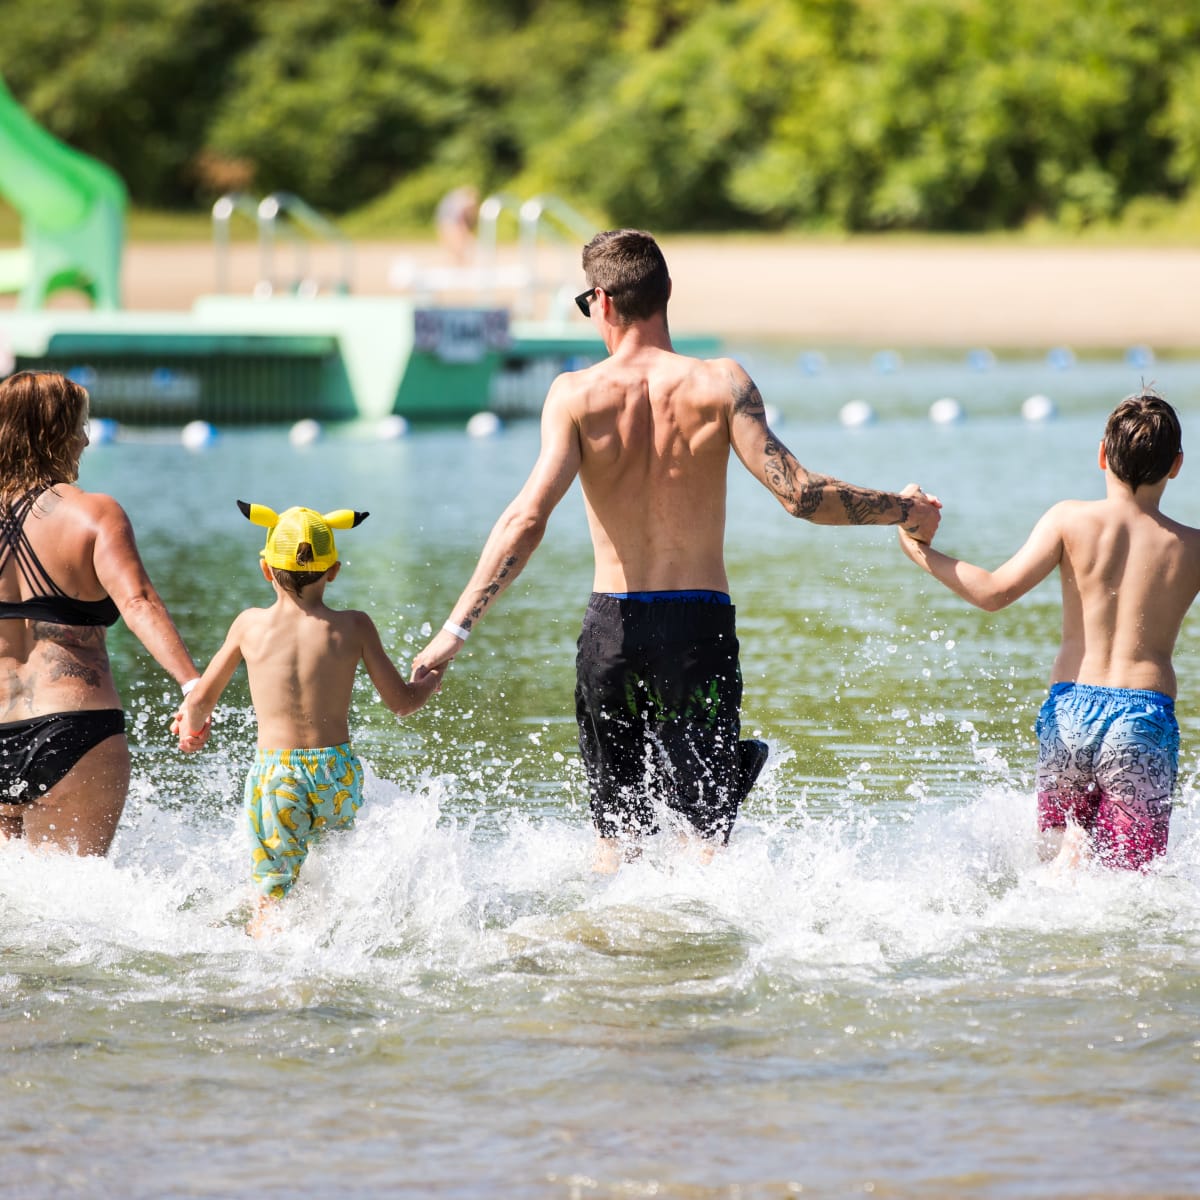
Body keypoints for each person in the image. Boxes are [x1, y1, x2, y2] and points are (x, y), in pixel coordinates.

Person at [412, 229, 941, 868]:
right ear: (665, 295)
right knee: (705, 845)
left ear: (602, 300)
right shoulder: (720, 385)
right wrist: (905, 511)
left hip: (613, 631)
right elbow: (800, 495)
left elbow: (526, 520)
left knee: (617, 843)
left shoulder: (575, 396)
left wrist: (455, 630)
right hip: (697, 630)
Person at [897, 388, 1199, 870]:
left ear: (1102, 455)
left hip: (1070, 714)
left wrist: (920, 551)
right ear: (1178, 464)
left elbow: (994, 593)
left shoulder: (1067, 520)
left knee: (1056, 862)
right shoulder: (1192, 546)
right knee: (1129, 886)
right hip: (1141, 720)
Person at [173, 501, 442, 934]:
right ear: (333, 570)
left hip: (275, 776)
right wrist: (428, 681)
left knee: (272, 902)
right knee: (332, 889)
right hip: (336, 774)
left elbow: (201, 699)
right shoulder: (354, 627)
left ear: (265, 569)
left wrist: (191, 725)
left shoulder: (249, 626)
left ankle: (275, 983)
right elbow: (401, 703)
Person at [0, 370, 205, 854]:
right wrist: (193, 686)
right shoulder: (95, 513)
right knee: (77, 910)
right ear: (53, 433)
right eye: (78, 425)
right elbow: (138, 602)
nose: (86, 438)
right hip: (73, 729)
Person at [435, 185, 480, 265]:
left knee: (455, 245)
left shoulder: (456, 199)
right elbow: (459, 221)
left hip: (446, 220)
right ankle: (461, 262)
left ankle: (459, 262)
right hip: (449, 221)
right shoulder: (460, 202)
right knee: (457, 244)